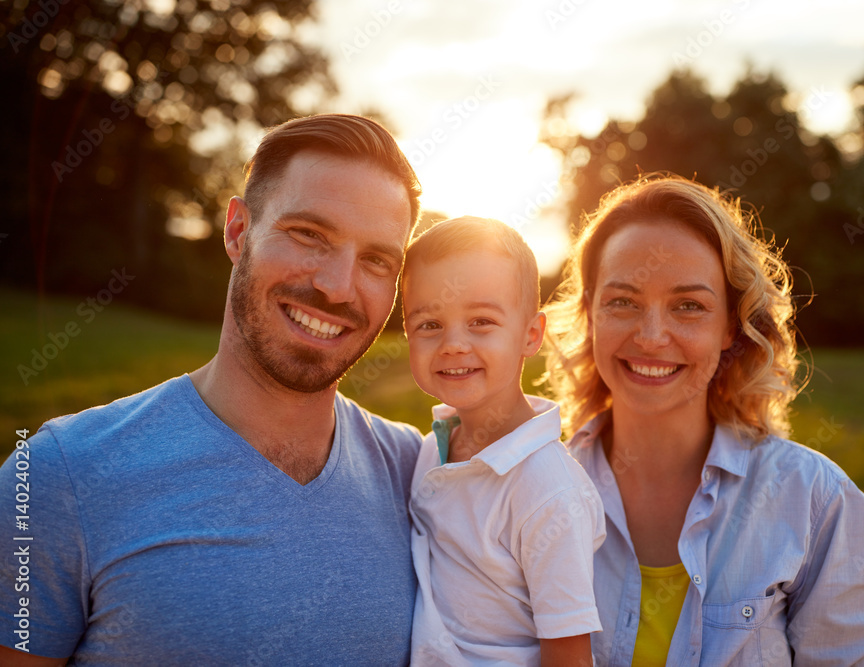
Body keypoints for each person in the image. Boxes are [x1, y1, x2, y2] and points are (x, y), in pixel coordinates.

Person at [0, 114, 425, 664]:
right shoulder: (58, 478)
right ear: (237, 231)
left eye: (376, 260)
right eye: (309, 235)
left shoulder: (420, 476)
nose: (337, 287)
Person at [544, 174, 864, 666]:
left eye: (688, 306)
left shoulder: (814, 500)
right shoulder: (533, 490)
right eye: (622, 301)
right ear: (590, 313)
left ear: (731, 326)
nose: (651, 337)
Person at [401, 216, 606, 666]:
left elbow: (569, 653)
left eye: (481, 321)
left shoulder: (547, 490)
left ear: (531, 335)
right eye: (429, 324)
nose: (453, 344)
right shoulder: (431, 445)